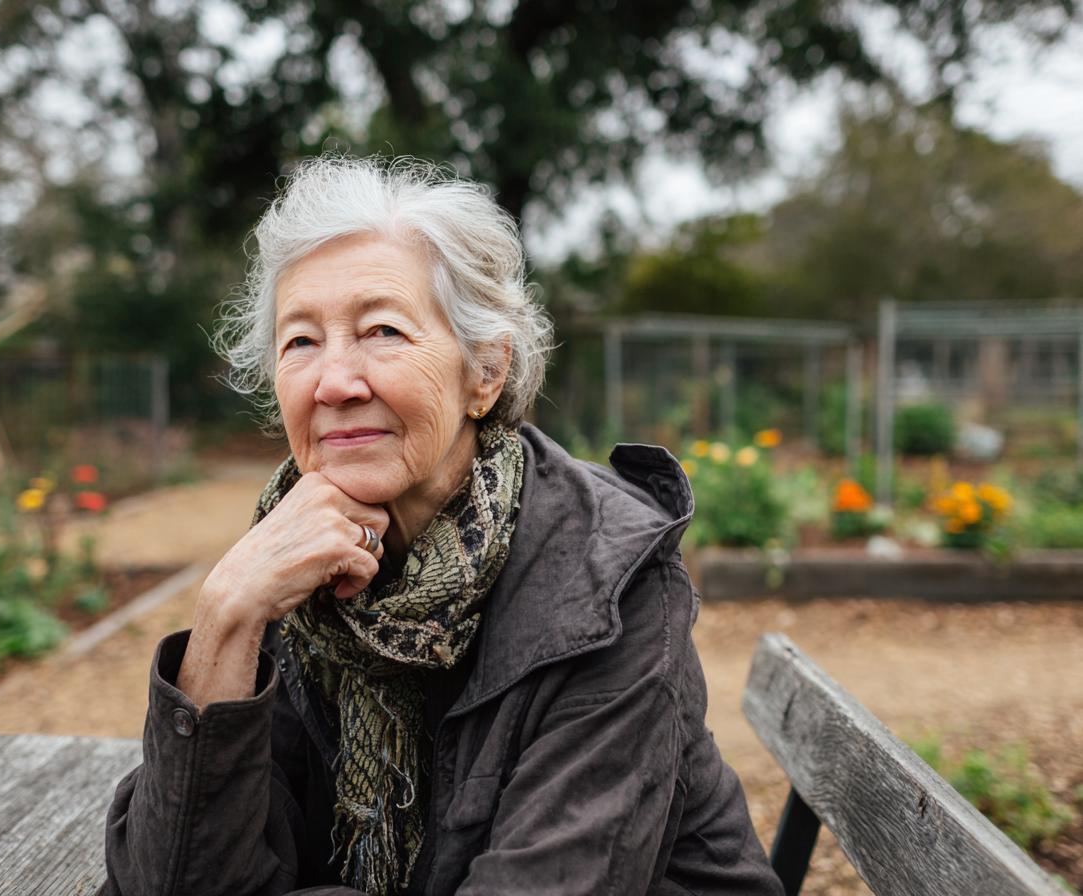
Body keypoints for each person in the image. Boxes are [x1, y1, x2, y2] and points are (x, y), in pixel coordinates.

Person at [102, 156, 784, 896]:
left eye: (382, 331)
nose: (334, 382)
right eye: (300, 341)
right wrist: (227, 615)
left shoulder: (609, 583)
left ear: (484, 373)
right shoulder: (289, 557)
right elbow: (166, 880)